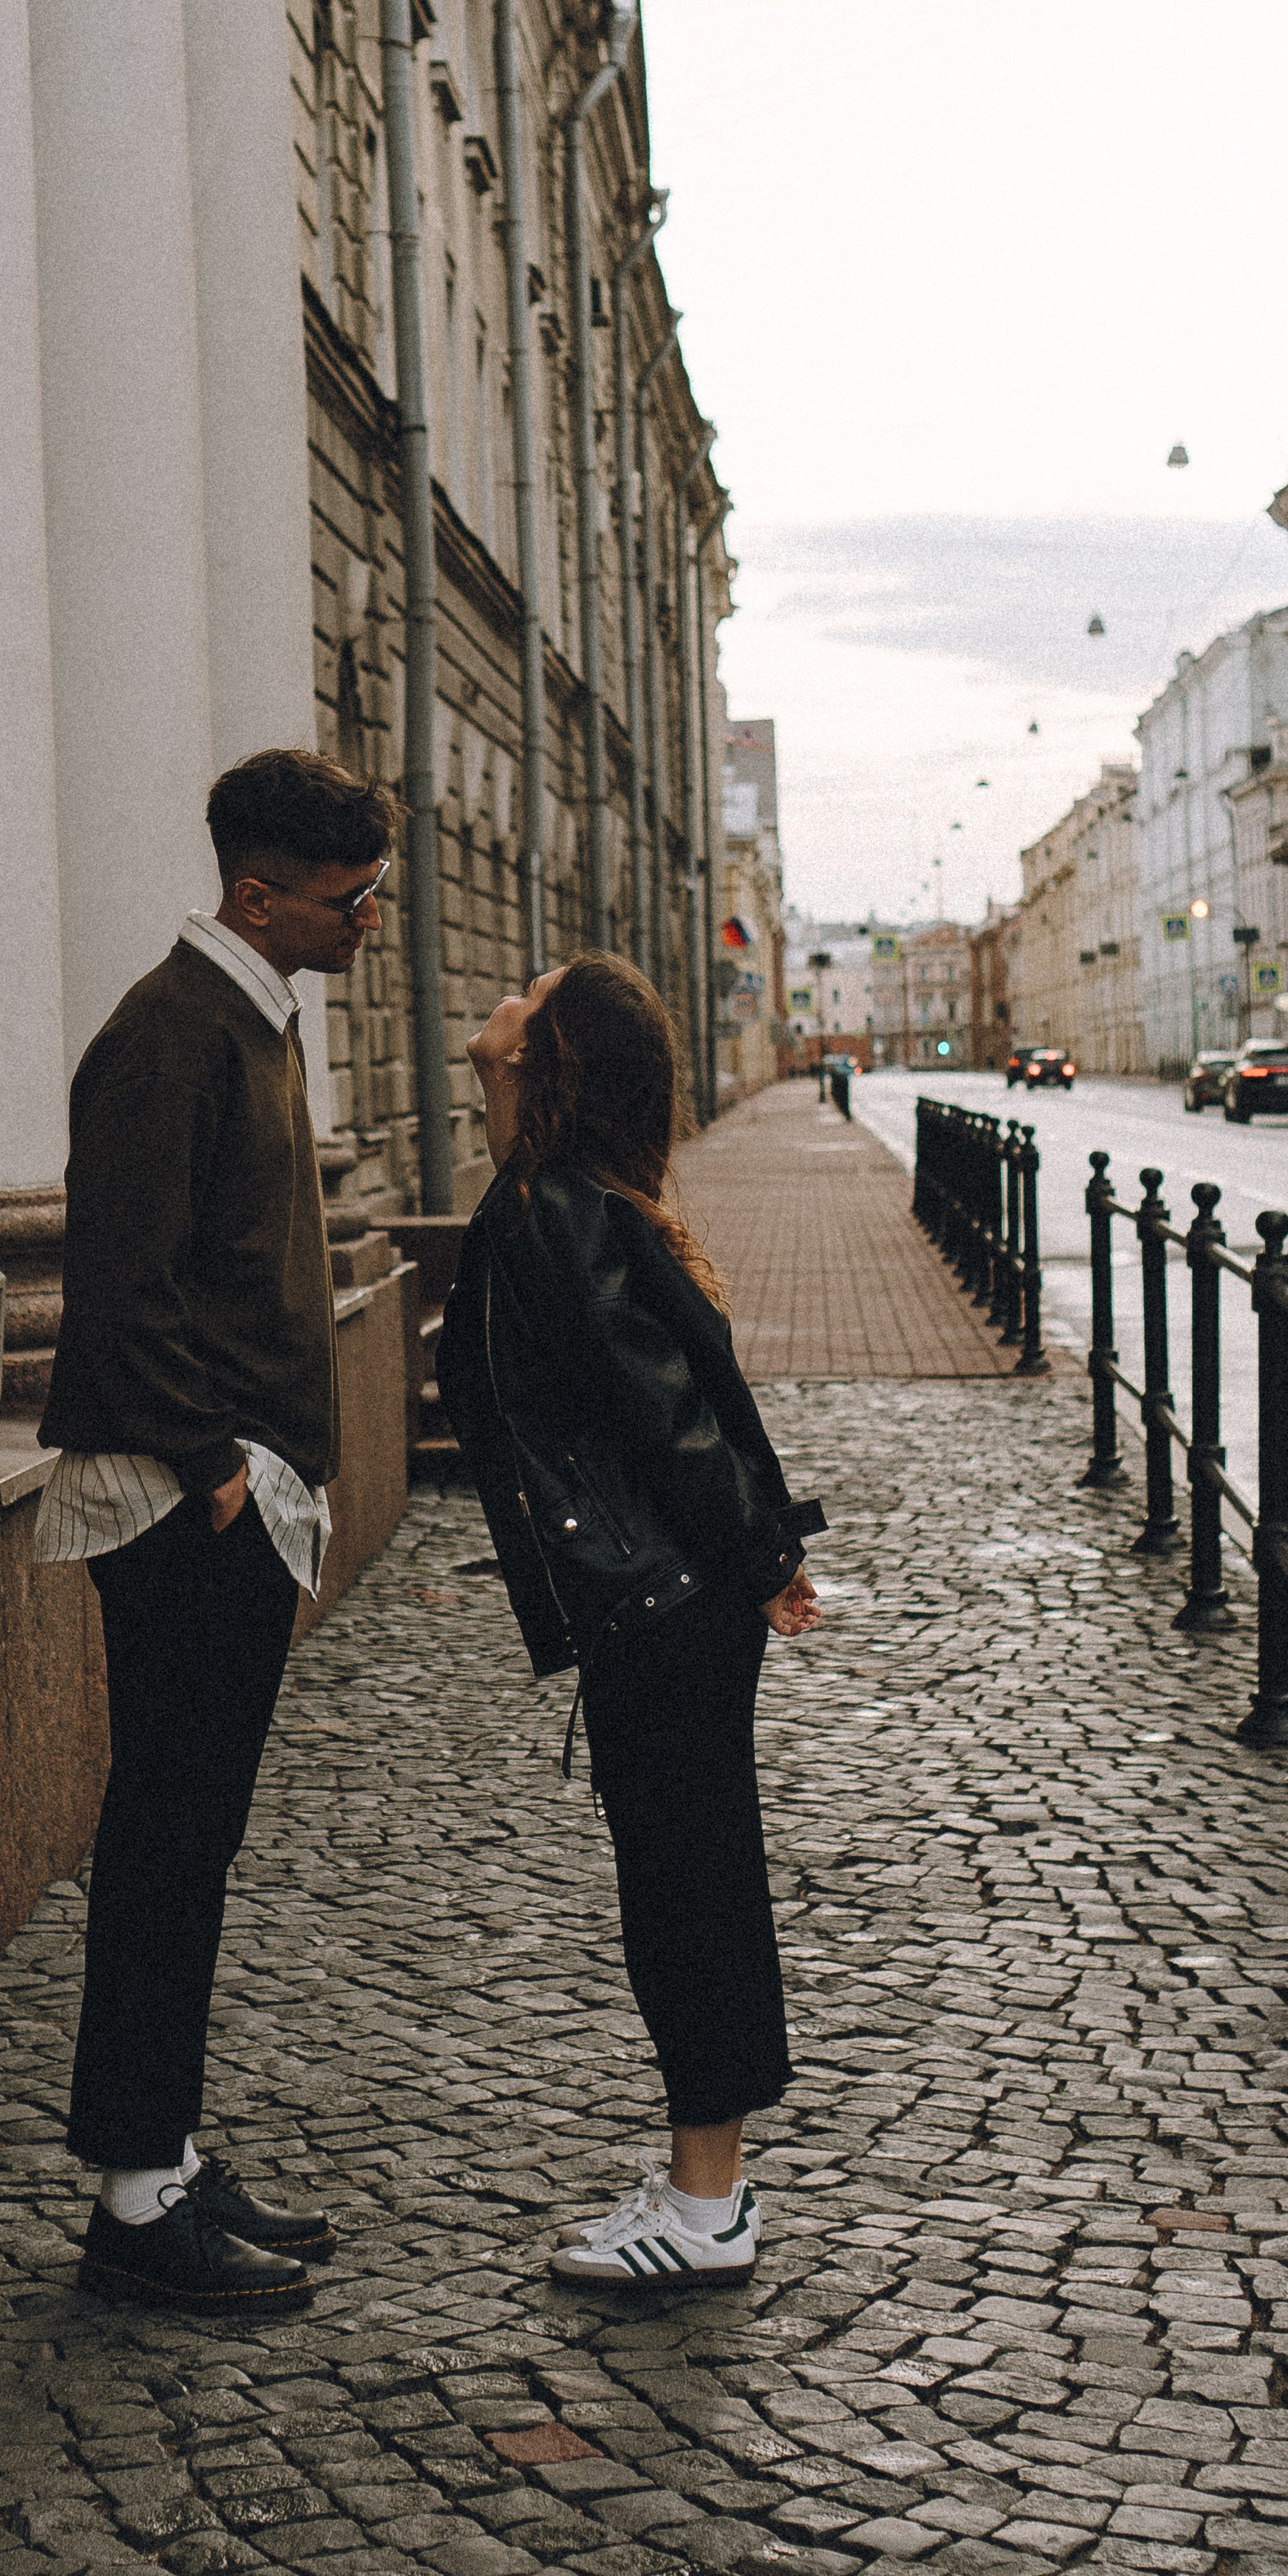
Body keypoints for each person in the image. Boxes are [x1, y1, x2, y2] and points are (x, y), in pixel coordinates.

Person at [35, 746, 395, 2314]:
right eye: (349, 898)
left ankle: (165, 2158)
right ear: (259, 894)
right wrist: (216, 1465)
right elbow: (121, 1288)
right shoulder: (167, 1036)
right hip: (184, 1504)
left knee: (194, 1843)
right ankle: (135, 2203)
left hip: (228, 1496)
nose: (369, 919)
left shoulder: (251, 1018)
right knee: (166, 1846)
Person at [436, 951, 825, 2287]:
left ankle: (708, 2210)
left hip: (667, 1603)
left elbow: (671, 1418)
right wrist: (759, 1557)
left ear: (547, 1057)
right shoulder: (559, 1198)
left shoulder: (555, 1210)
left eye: (529, 1000)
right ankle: (702, 2188)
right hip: (666, 1598)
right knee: (685, 1886)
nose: (502, 1003)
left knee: (688, 1896)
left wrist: (760, 1557)